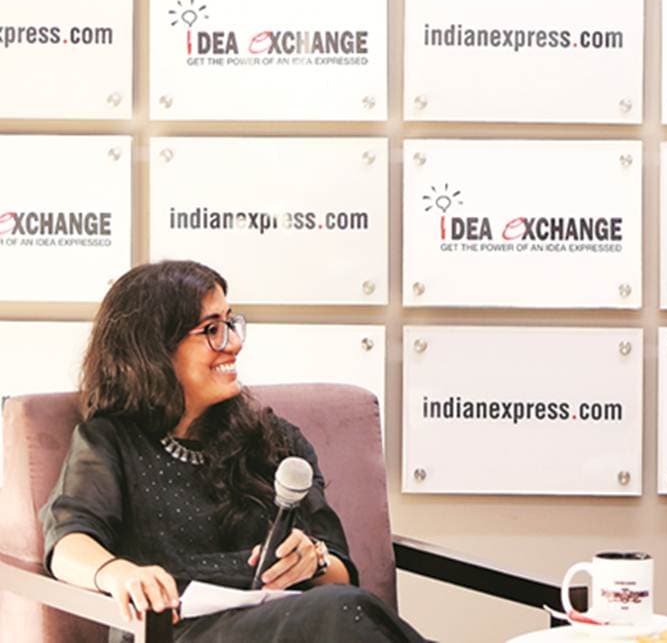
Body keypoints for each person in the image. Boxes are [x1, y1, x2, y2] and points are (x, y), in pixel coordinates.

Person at [41, 260, 425, 642]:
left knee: (342, 607)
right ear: (154, 348)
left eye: (230, 323)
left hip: (295, 624)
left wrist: (314, 560)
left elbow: (341, 573)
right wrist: (118, 573)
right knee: (340, 611)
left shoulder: (276, 440)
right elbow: (68, 541)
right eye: (212, 330)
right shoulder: (109, 439)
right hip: (176, 629)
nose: (234, 343)